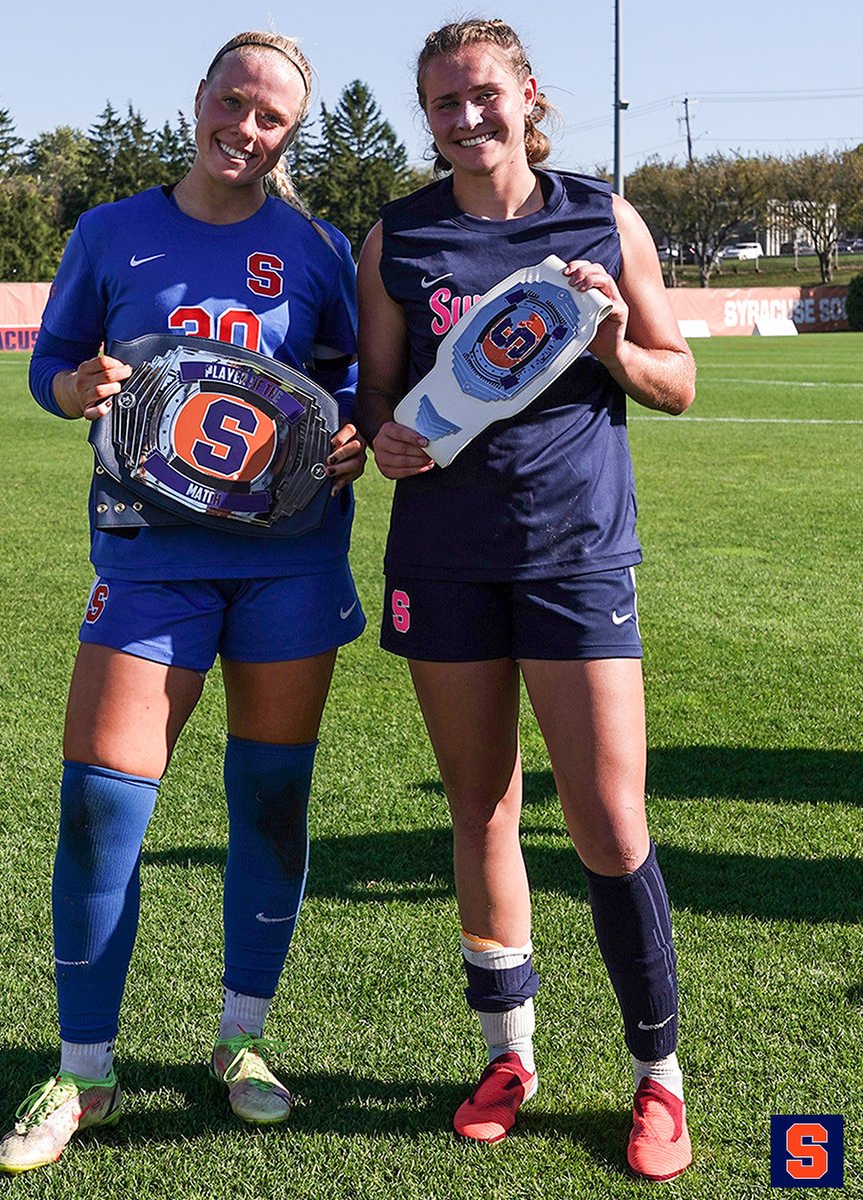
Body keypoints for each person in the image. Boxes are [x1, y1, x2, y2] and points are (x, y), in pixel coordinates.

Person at [0, 30, 366, 1175]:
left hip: (290, 561)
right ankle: (84, 1069)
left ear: (289, 136)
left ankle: (241, 1043)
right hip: (148, 555)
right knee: (103, 804)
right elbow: (51, 363)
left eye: (272, 121)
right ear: (200, 96)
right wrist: (74, 384)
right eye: (235, 102)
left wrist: (347, 433)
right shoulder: (111, 232)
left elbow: (349, 377)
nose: (247, 130)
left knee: (270, 802)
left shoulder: (316, 247)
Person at [355, 19, 694, 1183]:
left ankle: (660, 1079)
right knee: (482, 809)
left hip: (576, 553)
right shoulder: (398, 234)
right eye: (443, 101)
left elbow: (677, 381)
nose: (465, 117)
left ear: (527, 94)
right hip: (444, 558)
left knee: (607, 818)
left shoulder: (602, 214)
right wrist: (385, 440)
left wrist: (609, 343)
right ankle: (510, 1055)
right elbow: (383, 395)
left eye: (482, 95)